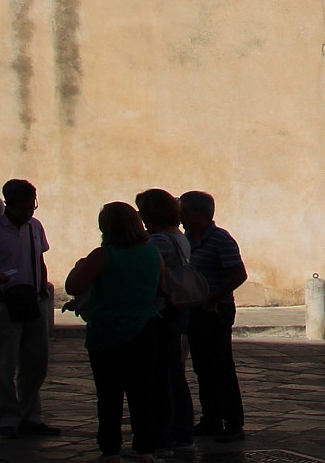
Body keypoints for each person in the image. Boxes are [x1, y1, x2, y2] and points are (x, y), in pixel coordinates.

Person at [65, 201, 170, 463]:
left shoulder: (102, 255)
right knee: (142, 392)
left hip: (107, 331)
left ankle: (110, 449)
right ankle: (146, 447)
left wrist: (80, 266)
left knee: (109, 394)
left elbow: (73, 286)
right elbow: (162, 286)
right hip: (144, 328)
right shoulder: (152, 253)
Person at [0, 179, 60, 440]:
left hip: (34, 299)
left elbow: (39, 258)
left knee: (36, 361)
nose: (27, 213)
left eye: (31, 208)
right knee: (5, 362)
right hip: (6, 302)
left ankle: (31, 415)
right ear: (8, 205)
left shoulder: (35, 227)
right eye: (21, 209)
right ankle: (8, 416)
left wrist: (42, 288)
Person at [137, 188, 199, 459]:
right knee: (174, 374)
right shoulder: (179, 238)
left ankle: (166, 437)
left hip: (163, 311)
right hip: (178, 310)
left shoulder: (158, 243)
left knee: (162, 378)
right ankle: (182, 433)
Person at [181, 191, 248, 440]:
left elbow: (238, 273)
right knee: (202, 366)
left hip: (215, 310)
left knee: (221, 365)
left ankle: (233, 421)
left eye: (185, 211)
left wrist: (211, 297)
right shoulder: (187, 239)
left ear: (199, 213)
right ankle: (211, 418)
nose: (181, 216)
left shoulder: (220, 239)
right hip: (196, 310)